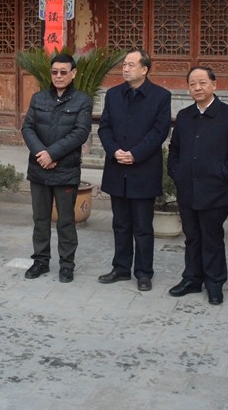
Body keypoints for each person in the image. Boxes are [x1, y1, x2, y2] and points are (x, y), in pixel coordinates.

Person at [168, 66, 228, 305]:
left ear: (214, 84)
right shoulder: (185, 116)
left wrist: (223, 173)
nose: (197, 88)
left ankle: (215, 283)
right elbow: (174, 148)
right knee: (192, 237)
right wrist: (176, 172)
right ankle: (192, 278)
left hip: (215, 190)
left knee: (212, 238)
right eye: (192, 84)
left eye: (202, 82)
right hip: (187, 188)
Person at [97, 49, 172, 293]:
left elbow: (159, 131)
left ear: (144, 69)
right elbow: (104, 127)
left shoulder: (161, 96)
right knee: (120, 224)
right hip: (117, 167)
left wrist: (136, 154)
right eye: (124, 65)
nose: (125, 68)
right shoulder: (113, 94)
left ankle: (143, 272)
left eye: (131, 64)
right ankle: (120, 268)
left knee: (142, 226)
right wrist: (114, 150)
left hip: (143, 169)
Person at [21, 53, 93, 283]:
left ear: (73, 74)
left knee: (65, 221)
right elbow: (27, 128)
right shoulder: (38, 98)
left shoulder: (82, 101)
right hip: (39, 168)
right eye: (54, 72)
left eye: (63, 72)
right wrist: (41, 154)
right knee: (40, 219)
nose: (58, 76)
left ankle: (67, 264)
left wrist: (52, 154)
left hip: (65, 170)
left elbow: (80, 133)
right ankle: (40, 261)